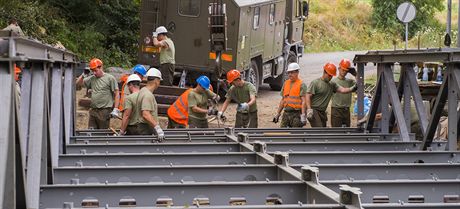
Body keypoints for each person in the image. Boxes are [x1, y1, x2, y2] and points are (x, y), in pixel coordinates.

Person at [306, 62, 357, 127]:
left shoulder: (332, 84)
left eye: (332, 76)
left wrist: (353, 88)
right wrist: (309, 109)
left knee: (322, 131)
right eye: (329, 75)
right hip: (314, 110)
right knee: (319, 131)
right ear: (324, 72)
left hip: (322, 112)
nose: (330, 77)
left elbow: (343, 90)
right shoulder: (315, 83)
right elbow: (308, 95)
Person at [76, 58, 120, 129]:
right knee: (91, 132)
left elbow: (117, 93)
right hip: (93, 111)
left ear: (101, 67)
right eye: (93, 71)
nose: (94, 73)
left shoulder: (110, 78)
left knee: (102, 133)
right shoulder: (92, 78)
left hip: (104, 111)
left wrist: (116, 109)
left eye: (96, 71)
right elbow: (78, 84)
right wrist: (83, 75)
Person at [273, 63, 307, 128]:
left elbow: (304, 102)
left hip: (296, 114)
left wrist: (303, 116)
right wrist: (278, 114)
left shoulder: (301, 84)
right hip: (286, 113)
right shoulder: (286, 83)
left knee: (295, 134)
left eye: (292, 72)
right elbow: (283, 100)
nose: (290, 74)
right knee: (283, 133)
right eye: (289, 73)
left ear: (297, 72)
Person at [134, 67, 165, 141]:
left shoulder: (143, 90)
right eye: (159, 81)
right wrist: (157, 128)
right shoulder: (148, 95)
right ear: (156, 81)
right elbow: (146, 114)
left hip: (142, 127)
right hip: (145, 129)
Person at [330, 59, 357, 127]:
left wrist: (356, 74)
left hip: (346, 110)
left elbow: (361, 84)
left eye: (346, 71)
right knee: (336, 132)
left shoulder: (350, 82)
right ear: (339, 69)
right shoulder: (333, 82)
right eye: (343, 70)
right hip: (336, 110)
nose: (344, 72)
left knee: (346, 131)